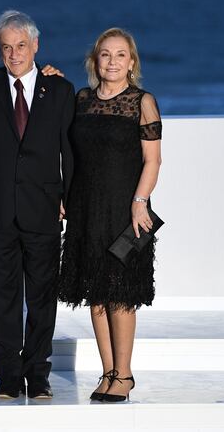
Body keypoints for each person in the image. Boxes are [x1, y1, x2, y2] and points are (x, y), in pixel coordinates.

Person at [0, 10, 74, 400]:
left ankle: (37, 373)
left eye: (21, 46)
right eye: (7, 47)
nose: (14, 54)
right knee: (2, 295)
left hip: (42, 208)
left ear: (35, 46)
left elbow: (69, 151)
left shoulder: (59, 90)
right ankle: (8, 374)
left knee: (42, 296)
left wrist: (67, 199)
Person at [59, 28, 162, 403]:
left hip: (125, 210)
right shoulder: (82, 100)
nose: (113, 61)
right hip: (86, 207)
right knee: (95, 295)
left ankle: (126, 374)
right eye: (106, 55)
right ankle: (108, 373)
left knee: (120, 294)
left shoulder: (141, 102)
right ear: (95, 60)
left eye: (121, 55)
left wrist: (140, 201)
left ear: (131, 62)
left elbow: (153, 160)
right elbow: (67, 150)